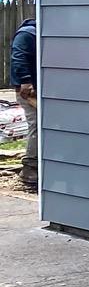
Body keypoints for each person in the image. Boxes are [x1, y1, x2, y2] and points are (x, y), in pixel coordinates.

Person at [9, 12, 34, 193]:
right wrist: (25, 81)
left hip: (41, 90)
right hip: (27, 91)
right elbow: (18, 57)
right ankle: (30, 169)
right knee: (37, 125)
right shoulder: (27, 34)